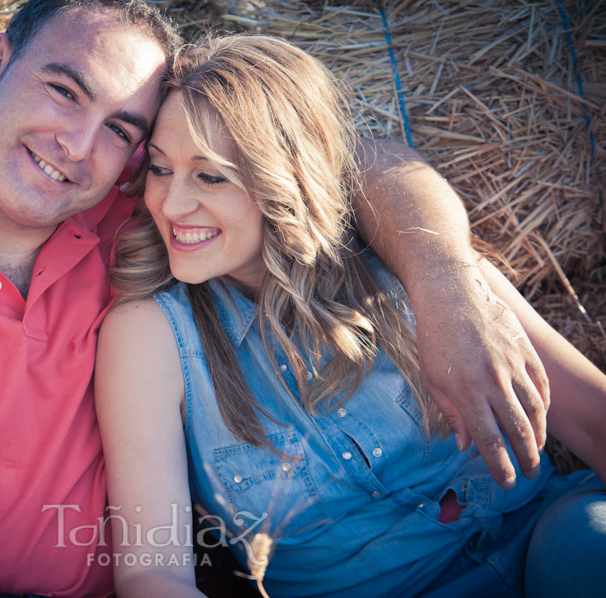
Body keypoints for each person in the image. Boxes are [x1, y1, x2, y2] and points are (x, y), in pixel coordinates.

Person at [0, 0, 556, 596]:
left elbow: (344, 159)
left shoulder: (141, 206)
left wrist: (446, 287)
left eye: (123, 129)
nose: (80, 147)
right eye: (64, 90)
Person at [95, 34, 606, 598]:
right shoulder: (152, 335)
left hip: (540, 537)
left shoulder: (409, 256)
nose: (170, 204)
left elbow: (593, 420)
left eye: (210, 175)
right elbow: (152, 571)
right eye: (161, 170)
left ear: (285, 179)